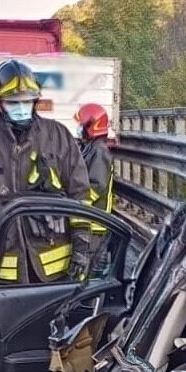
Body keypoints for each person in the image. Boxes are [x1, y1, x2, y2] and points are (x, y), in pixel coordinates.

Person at [0, 60, 91, 283]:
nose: (21, 108)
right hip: (4, 273)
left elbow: (80, 195)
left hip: (56, 273)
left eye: (27, 101)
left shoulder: (58, 136)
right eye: (13, 102)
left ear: (35, 101)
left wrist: (82, 247)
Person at [75, 102, 115, 277]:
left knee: (88, 273)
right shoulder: (91, 148)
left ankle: (88, 304)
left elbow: (96, 185)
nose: (79, 128)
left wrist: (77, 203)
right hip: (90, 220)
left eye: (82, 125)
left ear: (92, 126)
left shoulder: (99, 152)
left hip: (95, 223)